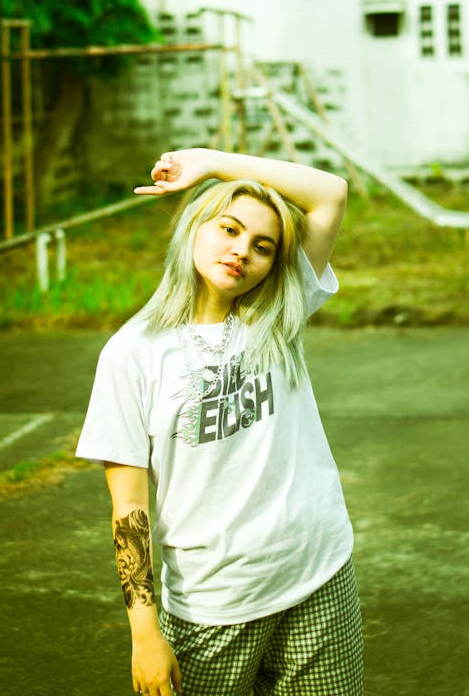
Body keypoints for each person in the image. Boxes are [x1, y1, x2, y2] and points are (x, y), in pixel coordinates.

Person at [76, 147, 363, 696]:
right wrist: (144, 633)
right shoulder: (130, 354)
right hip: (215, 606)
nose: (241, 252)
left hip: (320, 578)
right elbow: (129, 506)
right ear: (192, 229)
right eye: (228, 229)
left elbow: (330, 193)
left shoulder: (279, 311)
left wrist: (209, 161)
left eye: (262, 246)